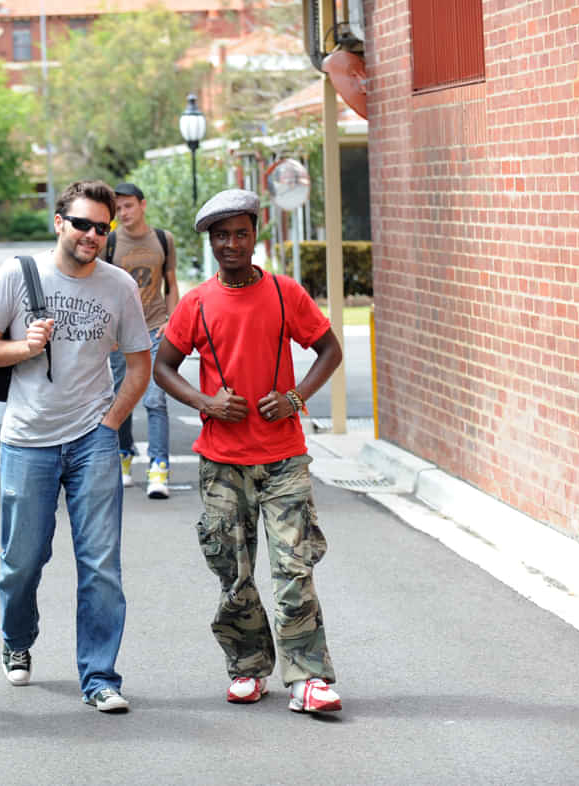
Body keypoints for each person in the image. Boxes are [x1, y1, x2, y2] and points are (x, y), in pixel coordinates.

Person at [153, 189, 345, 714]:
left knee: (294, 568)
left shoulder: (285, 294)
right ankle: (246, 667)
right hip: (221, 462)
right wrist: (206, 403)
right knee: (233, 573)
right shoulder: (196, 303)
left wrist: (297, 397)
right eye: (221, 236)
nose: (231, 244)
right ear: (210, 242)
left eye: (240, 233)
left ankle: (307, 678)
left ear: (255, 235)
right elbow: (162, 366)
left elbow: (330, 349)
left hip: (284, 455)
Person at [0, 180, 152, 713]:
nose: (92, 235)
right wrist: (21, 346)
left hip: (92, 437)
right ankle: (17, 638)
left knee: (101, 564)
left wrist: (111, 422)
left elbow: (139, 364)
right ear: (59, 222)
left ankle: (99, 677)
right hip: (28, 441)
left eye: (103, 226)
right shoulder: (17, 275)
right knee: (22, 561)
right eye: (83, 224)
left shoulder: (118, 286)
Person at [105, 182, 178, 499]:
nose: (123, 213)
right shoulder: (109, 242)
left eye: (128, 206)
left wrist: (173, 321)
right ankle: (124, 456)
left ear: (142, 205)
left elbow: (171, 284)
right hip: (121, 334)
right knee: (122, 397)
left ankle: (159, 466)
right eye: (118, 208)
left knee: (155, 399)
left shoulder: (163, 239)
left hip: (155, 328)